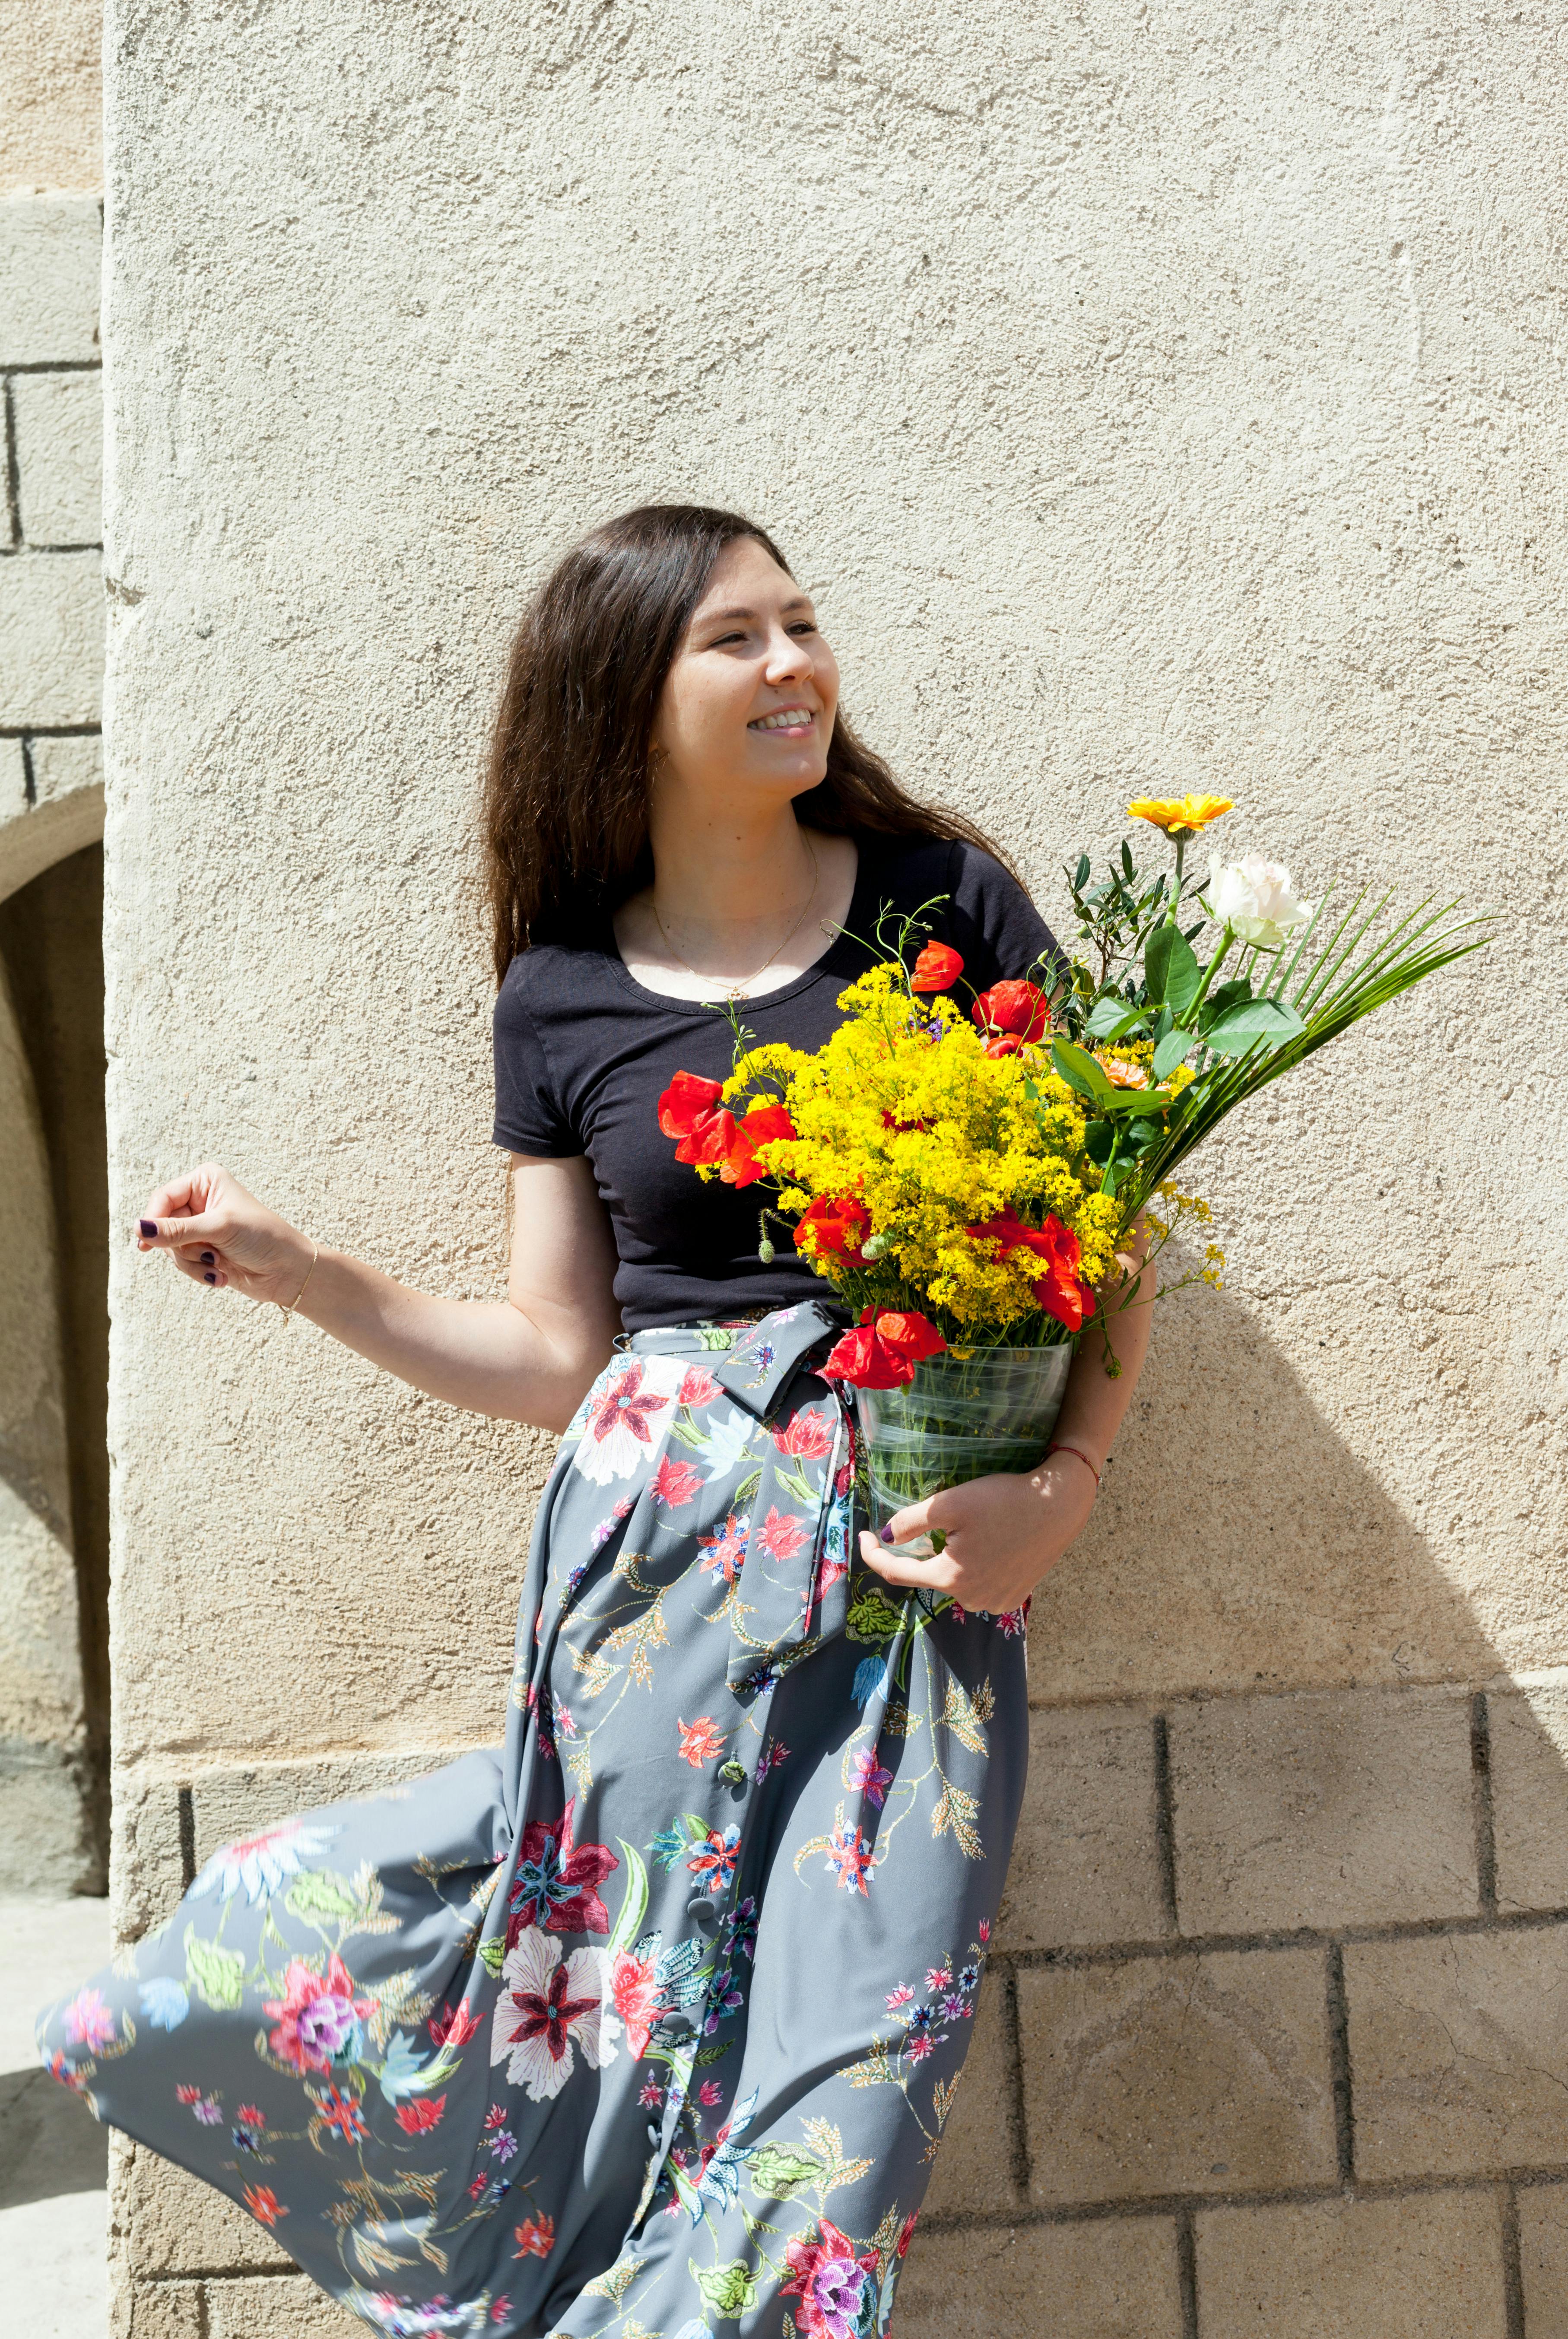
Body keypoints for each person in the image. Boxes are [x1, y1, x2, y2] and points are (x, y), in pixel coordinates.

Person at [38, 505, 1153, 2339]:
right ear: (625, 696)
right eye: (737, 638)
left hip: (900, 1581)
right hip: (648, 1572)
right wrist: (305, 1270)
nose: (794, 665)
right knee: (595, 2037)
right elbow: (558, 1350)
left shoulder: (935, 903)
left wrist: (1063, 1483)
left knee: (842, 2105)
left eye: (803, 624)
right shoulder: (558, 989)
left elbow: (1105, 1240)